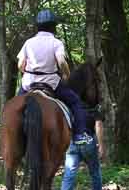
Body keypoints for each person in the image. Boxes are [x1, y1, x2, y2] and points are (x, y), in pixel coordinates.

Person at [17, 9, 92, 144]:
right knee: (76, 102)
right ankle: (80, 134)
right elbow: (62, 62)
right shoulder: (56, 42)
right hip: (51, 82)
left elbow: (20, 64)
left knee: (15, 106)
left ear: (38, 26)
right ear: (53, 26)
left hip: (28, 83)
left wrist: (28, 72)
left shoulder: (28, 42)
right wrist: (67, 74)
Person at [59, 103, 103, 190]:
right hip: (89, 142)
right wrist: (101, 145)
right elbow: (98, 125)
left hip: (72, 143)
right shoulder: (94, 109)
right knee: (95, 171)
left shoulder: (70, 110)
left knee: (69, 174)